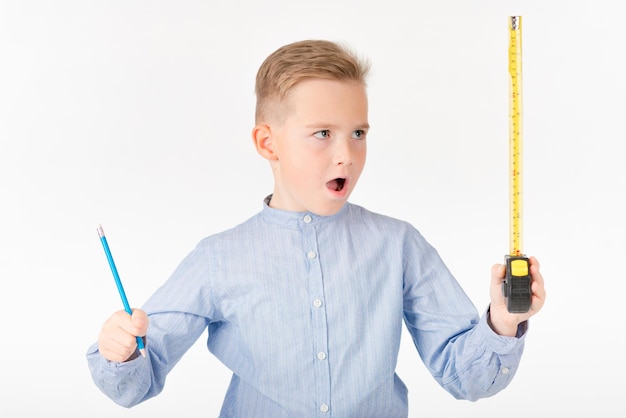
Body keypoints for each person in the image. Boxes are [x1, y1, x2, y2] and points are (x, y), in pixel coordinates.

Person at [86, 39, 546, 418]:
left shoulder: (399, 245)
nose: (346, 153)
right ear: (268, 143)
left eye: (358, 133)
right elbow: (135, 385)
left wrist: (503, 323)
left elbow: (465, 377)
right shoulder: (218, 258)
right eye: (323, 133)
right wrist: (121, 352)